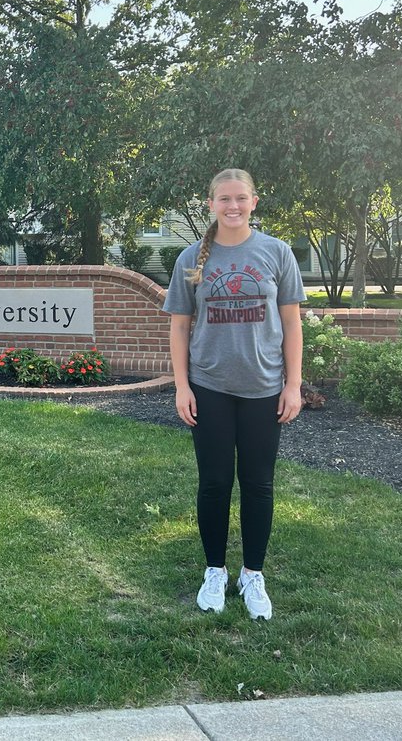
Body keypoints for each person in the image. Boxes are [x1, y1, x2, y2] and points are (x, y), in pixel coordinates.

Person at [162, 168, 304, 620]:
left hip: (264, 389)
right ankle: (216, 571)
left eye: (240, 198)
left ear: (254, 202)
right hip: (210, 389)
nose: (233, 206)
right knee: (215, 482)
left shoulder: (276, 253)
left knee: (259, 484)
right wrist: (182, 386)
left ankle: (253, 574)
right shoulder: (191, 259)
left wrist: (294, 384)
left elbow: (292, 323)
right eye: (224, 199)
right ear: (211, 204)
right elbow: (179, 327)